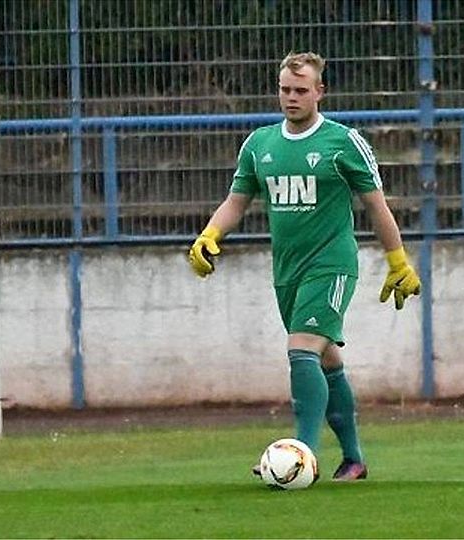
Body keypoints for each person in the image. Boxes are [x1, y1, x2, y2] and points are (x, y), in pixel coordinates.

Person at [187, 51, 421, 482]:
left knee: (300, 350)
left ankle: (299, 455)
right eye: (284, 89)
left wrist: (397, 261)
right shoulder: (260, 145)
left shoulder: (343, 142)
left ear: (319, 92)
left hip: (332, 265)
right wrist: (209, 235)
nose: (291, 97)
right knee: (324, 358)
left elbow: (376, 206)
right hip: (287, 272)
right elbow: (236, 201)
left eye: (300, 90)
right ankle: (353, 459)